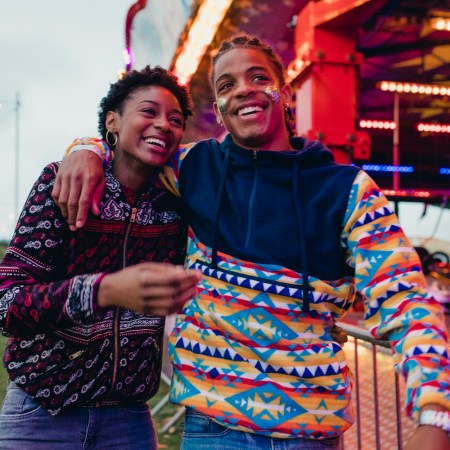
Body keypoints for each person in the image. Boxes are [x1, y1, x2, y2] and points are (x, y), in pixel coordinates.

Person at [52, 35, 449, 450]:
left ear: (285, 92)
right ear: (220, 112)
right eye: (226, 85)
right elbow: (133, 146)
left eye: (258, 77)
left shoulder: (348, 190)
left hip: (308, 434)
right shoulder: (191, 168)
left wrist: (434, 414)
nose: (243, 88)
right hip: (211, 430)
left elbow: (405, 298)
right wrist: (86, 149)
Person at [0, 66, 201, 450]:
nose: (163, 125)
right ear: (113, 121)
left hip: (127, 421)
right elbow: (8, 303)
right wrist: (103, 291)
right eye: (149, 111)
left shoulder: (179, 204)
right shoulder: (61, 182)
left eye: (175, 120)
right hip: (42, 413)